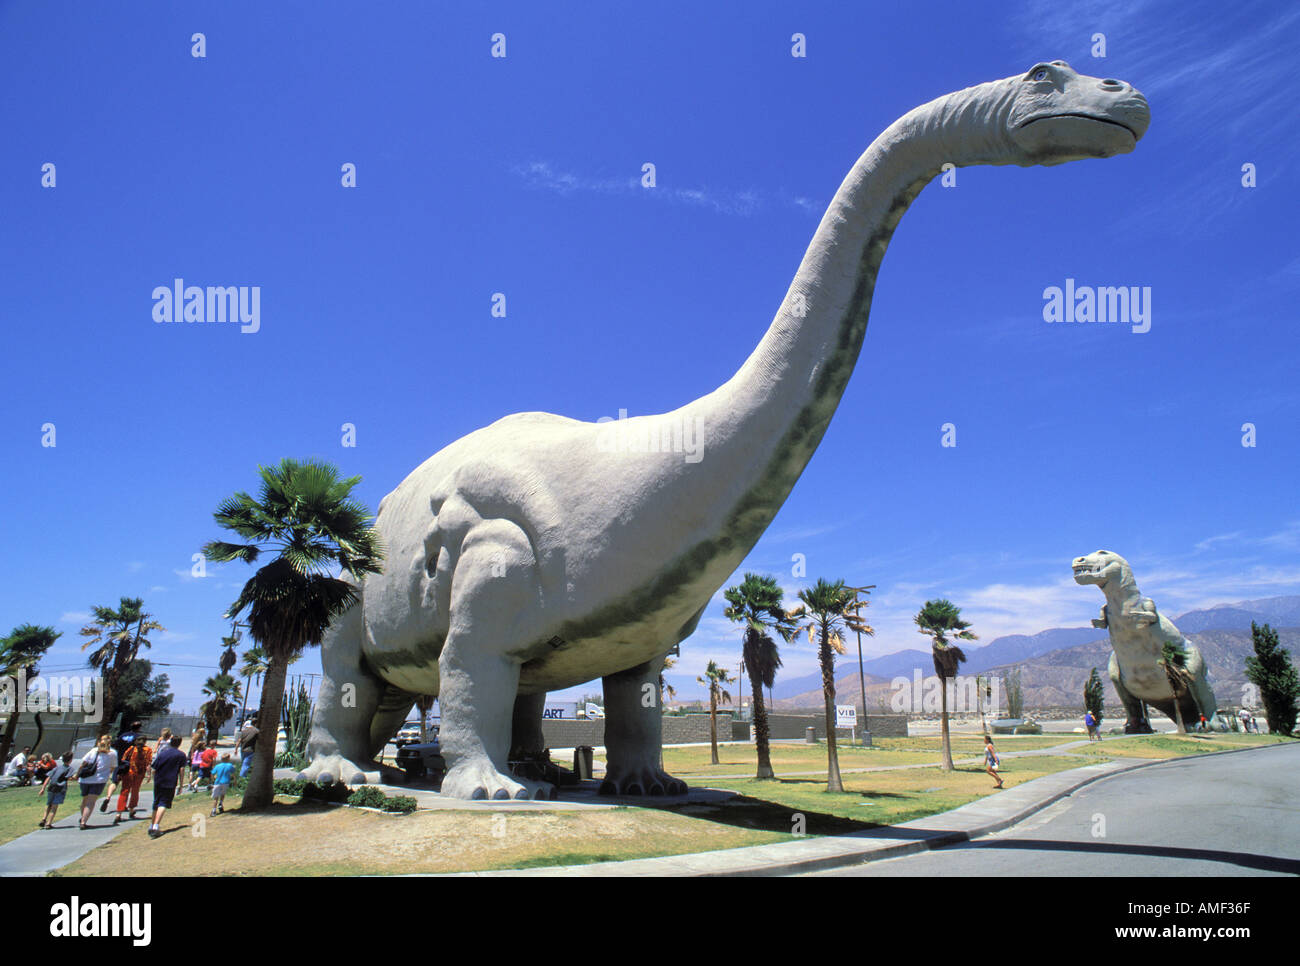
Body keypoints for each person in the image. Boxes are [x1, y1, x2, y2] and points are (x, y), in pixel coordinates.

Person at [148, 734, 187, 839]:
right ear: (179, 743)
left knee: (156, 802)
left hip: (159, 780)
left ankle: (152, 825)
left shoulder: (163, 753)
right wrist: (181, 784)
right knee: (163, 803)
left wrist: (153, 778)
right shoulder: (181, 755)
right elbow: (182, 770)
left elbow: (154, 768)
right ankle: (156, 826)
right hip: (170, 781)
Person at [77, 735, 118, 829]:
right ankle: (83, 821)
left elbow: (83, 763)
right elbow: (113, 767)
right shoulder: (113, 753)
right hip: (99, 780)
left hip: (85, 779)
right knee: (91, 801)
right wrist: (106, 773)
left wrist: (77, 774)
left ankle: (83, 816)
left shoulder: (93, 751)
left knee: (85, 799)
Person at [101, 720, 143, 811]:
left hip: (119, 761)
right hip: (130, 763)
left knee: (114, 782)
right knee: (126, 786)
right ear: (139, 728)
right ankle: (122, 805)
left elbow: (116, 745)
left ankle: (108, 797)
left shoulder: (123, 735)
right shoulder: (139, 737)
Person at [112, 733, 154, 824]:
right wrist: (149, 774)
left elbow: (123, 759)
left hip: (128, 773)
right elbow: (148, 763)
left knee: (124, 791)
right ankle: (131, 808)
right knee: (135, 791)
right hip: (139, 773)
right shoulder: (148, 750)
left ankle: (118, 813)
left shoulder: (131, 749)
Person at [37, 751, 74, 829]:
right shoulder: (70, 769)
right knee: (54, 806)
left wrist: (43, 788)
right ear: (71, 760)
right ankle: (48, 823)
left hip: (51, 787)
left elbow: (48, 777)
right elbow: (69, 778)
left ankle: (44, 819)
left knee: (48, 804)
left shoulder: (56, 768)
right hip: (60, 789)